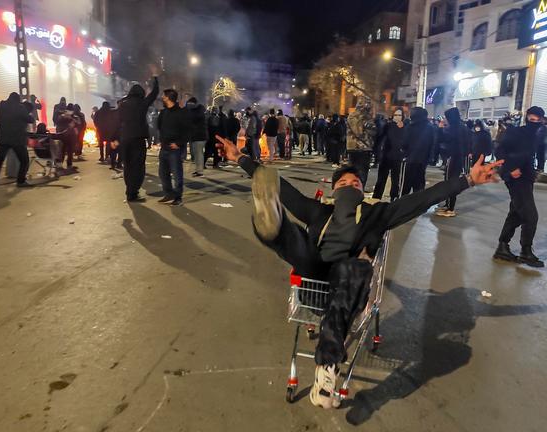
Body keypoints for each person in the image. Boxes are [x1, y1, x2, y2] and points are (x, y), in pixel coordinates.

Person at [214, 135, 503, 409]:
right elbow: (284, 190)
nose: (351, 184)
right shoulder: (320, 212)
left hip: (348, 286)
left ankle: (326, 369)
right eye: (344, 182)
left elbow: (421, 200)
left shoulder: (379, 214)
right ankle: (272, 224)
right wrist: (242, 158)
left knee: (356, 267)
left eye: (356, 182)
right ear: (334, 189)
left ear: (362, 191)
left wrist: (467, 180)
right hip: (315, 278)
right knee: (298, 242)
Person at [493, 106, 546, 268]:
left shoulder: (537, 135)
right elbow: (499, 150)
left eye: (538, 120)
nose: (534, 122)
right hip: (515, 178)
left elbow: (534, 154)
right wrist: (510, 167)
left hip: (527, 177)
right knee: (531, 216)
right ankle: (526, 251)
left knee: (516, 212)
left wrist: (536, 171)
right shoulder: (515, 132)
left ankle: (503, 246)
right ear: (526, 118)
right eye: (531, 119)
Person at [118, 77, 159, 202]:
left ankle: (129, 190)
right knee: (138, 166)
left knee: (128, 166)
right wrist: (156, 80)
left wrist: (114, 138)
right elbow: (154, 94)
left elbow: (118, 122)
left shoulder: (122, 104)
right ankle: (133, 192)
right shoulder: (142, 103)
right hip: (138, 138)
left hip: (125, 138)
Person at [0, 93, 32, 186]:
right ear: (17, 100)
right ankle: (21, 181)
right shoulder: (20, 108)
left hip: (2, 138)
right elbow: (30, 119)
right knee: (24, 161)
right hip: (16, 139)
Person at [435, 108, 470, 217]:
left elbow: (441, 139)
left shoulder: (453, 129)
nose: (445, 119)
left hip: (453, 157)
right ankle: (448, 205)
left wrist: (440, 129)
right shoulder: (462, 127)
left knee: (449, 182)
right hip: (458, 158)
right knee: (451, 181)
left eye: (446, 117)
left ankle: (450, 209)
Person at [156, 88, 188, 206]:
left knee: (176, 173)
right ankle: (169, 193)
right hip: (164, 147)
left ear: (168, 98)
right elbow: (159, 126)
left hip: (175, 149)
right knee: (162, 173)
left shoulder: (181, 113)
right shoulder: (163, 113)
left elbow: (188, 131)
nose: (162, 98)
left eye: (164, 96)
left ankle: (178, 197)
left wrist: (179, 143)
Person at [372, 109, 408, 201]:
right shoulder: (387, 126)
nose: (397, 117)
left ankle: (394, 197)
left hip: (397, 157)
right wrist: (377, 152)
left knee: (395, 180)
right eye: (395, 115)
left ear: (403, 116)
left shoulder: (406, 127)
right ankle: (376, 198)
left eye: (399, 115)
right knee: (381, 179)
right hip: (386, 156)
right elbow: (379, 138)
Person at [345, 100, 376, 188]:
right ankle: (358, 192)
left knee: (352, 171)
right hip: (363, 148)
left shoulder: (351, 116)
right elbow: (372, 132)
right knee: (362, 173)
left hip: (351, 147)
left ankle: (350, 191)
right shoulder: (366, 117)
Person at [404, 107, 435, 193]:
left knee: (406, 184)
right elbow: (432, 143)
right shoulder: (430, 127)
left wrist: (405, 153)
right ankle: (418, 203)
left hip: (410, 159)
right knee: (419, 184)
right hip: (423, 160)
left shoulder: (410, 127)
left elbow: (404, 143)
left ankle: (403, 204)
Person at [183, 97, 208, 176]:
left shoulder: (197, 111)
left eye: (189, 104)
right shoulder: (197, 110)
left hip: (199, 136)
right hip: (196, 136)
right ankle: (198, 170)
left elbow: (192, 121)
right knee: (196, 154)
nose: (188, 105)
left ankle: (200, 171)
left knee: (199, 154)